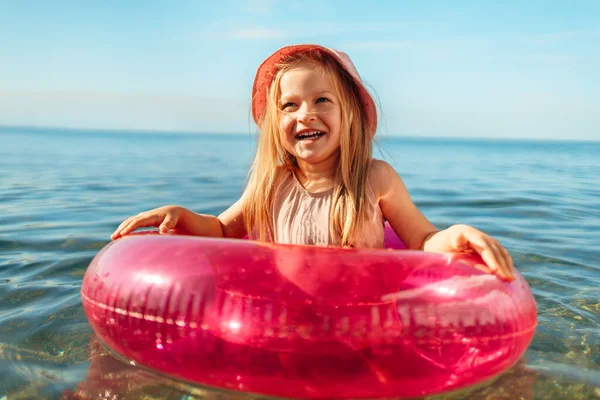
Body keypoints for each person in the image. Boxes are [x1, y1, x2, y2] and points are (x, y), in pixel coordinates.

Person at [111, 44, 514, 281]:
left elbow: (421, 241)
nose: (305, 114)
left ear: (350, 115)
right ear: (275, 124)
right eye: (290, 105)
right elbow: (222, 229)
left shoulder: (375, 179)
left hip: (357, 322)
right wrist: (182, 216)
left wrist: (456, 235)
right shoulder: (273, 183)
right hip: (286, 318)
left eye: (322, 100)